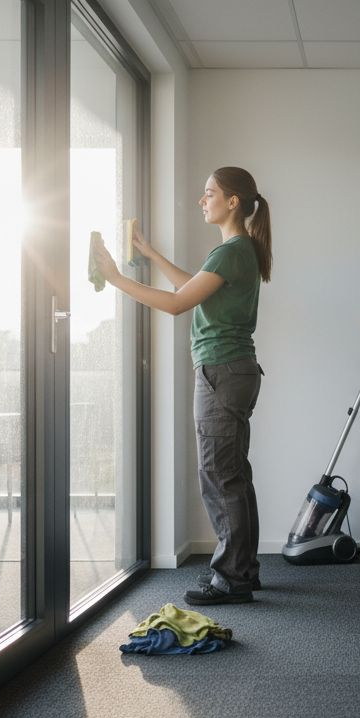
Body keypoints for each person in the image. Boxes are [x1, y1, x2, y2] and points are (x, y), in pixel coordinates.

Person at [91, 167, 271, 606]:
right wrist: (149, 253)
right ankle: (243, 570)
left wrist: (115, 278)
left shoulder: (231, 251)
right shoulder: (237, 251)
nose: (201, 200)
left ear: (232, 202)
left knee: (220, 477)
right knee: (234, 476)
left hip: (220, 373)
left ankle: (231, 579)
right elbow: (190, 288)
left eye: (209, 193)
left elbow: (175, 304)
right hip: (235, 371)